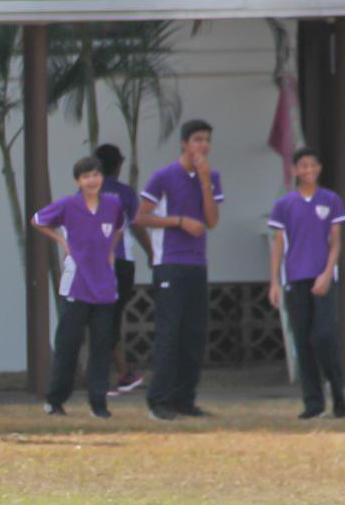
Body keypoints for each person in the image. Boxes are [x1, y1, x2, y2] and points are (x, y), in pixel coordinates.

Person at [133, 119, 224, 421]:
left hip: (197, 264)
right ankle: (157, 400)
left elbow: (212, 220)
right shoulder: (164, 176)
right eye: (197, 139)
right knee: (169, 332)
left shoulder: (211, 176)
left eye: (207, 140)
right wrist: (179, 221)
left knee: (193, 333)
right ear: (184, 143)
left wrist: (204, 181)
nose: (203, 146)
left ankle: (184, 399)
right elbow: (141, 218)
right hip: (169, 262)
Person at [32, 156, 126, 418]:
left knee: (102, 346)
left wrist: (111, 250)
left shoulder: (113, 205)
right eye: (86, 176)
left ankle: (99, 403)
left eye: (95, 175)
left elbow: (118, 227)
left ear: (101, 178)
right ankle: (55, 400)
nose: (91, 180)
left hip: (105, 287)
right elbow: (37, 220)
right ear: (78, 181)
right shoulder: (68, 205)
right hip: (76, 286)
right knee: (68, 345)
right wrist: (62, 241)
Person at [268, 147, 345, 419]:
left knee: (323, 335)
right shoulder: (284, 205)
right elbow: (279, 244)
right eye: (303, 166)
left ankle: (338, 393)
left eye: (313, 165)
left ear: (319, 168)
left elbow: (335, 241)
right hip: (295, 279)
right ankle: (313, 402)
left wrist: (327, 273)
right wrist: (274, 282)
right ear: (294, 170)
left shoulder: (331, 200)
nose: (308, 170)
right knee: (302, 341)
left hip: (323, 278)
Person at [94, 144, 151, 394]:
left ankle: (117, 374)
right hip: (121, 262)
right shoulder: (125, 193)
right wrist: (152, 253)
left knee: (100, 318)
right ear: (118, 166)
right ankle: (117, 376)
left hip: (93, 264)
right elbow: (138, 226)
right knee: (112, 319)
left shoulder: (87, 190)